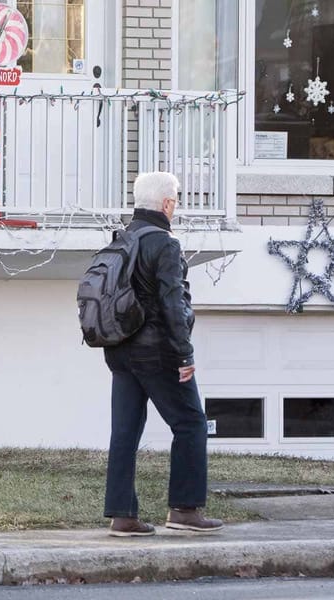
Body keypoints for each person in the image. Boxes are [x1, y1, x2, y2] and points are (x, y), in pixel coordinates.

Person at [103, 172, 224, 537]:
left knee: (124, 431)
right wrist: (184, 355)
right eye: (178, 200)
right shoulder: (165, 244)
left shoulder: (120, 239)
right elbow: (173, 302)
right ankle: (185, 510)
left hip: (119, 351)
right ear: (168, 204)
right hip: (157, 353)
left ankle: (122, 516)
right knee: (191, 424)